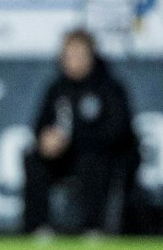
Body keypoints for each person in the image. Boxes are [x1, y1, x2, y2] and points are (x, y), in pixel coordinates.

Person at [23, 30, 137, 236]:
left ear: (91, 56)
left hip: (100, 156)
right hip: (64, 157)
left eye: (79, 55)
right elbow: (41, 124)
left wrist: (73, 140)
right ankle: (37, 228)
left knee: (92, 161)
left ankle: (93, 228)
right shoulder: (57, 89)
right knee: (33, 159)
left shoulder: (109, 88)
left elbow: (118, 131)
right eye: (68, 56)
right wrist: (47, 139)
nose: (73, 62)